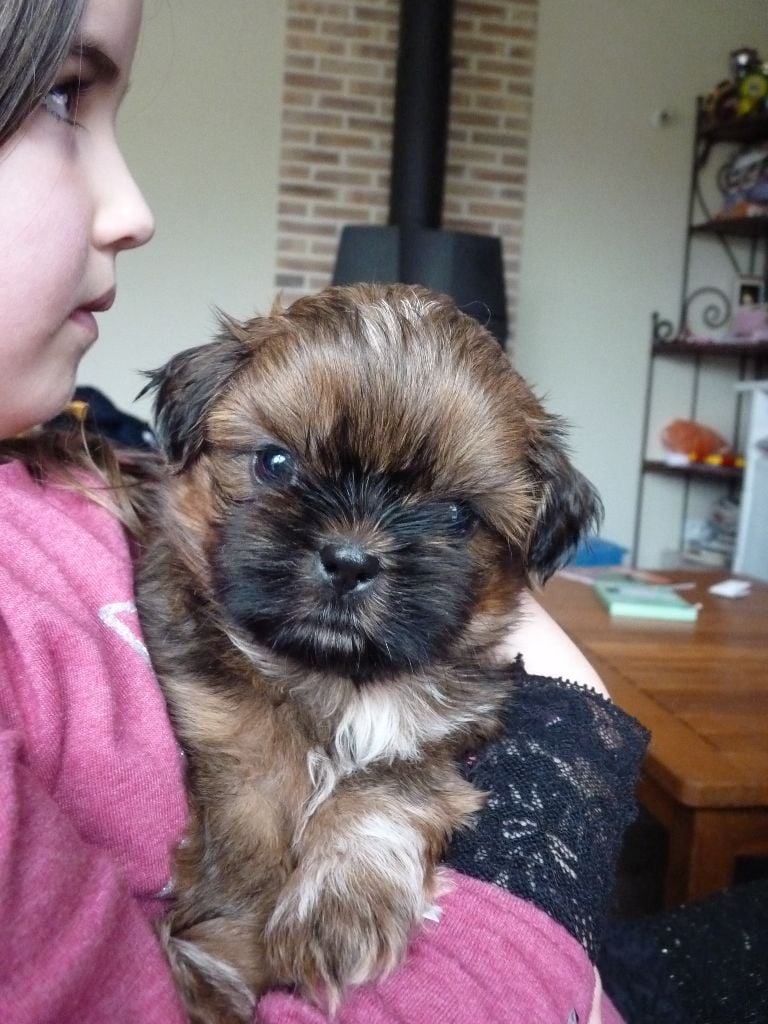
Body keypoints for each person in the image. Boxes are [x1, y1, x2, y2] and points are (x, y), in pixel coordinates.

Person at [0, 2, 649, 1022]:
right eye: (62, 94)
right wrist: (569, 739)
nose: (353, 546)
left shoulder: (83, 438)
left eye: (450, 517)